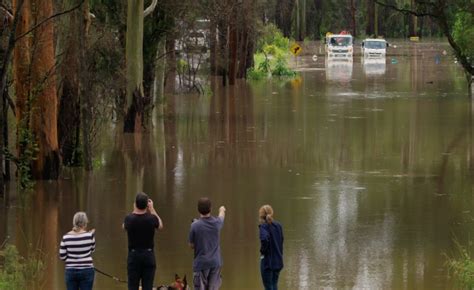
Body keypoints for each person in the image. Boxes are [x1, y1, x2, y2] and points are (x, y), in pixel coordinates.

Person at [123, 192, 163, 290]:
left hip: (134, 256)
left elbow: (124, 227)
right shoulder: (152, 219)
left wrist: (134, 210)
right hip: (148, 255)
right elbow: (160, 225)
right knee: (148, 287)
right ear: (147, 205)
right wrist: (152, 209)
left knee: (132, 286)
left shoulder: (129, 219)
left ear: (135, 204)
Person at [189, 197, 226, 290]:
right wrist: (222, 209)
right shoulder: (217, 223)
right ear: (210, 209)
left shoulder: (194, 226)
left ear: (198, 210)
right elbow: (222, 216)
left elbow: (191, 245)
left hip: (201, 264)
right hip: (215, 263)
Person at [59, 212, 96, 290]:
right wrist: (90, 234)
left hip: (71, 271)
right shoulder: (90, 236)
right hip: (87, 270)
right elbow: (92, 249)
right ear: (85, 223)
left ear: (74, 222)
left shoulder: (65, 237)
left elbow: (62, 257)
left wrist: (73, 258)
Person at [258, 205, 284, 290]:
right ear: (271, 213)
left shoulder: (263, 227)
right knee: (274, 284)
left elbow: (264, 239)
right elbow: (281, 240)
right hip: (278, 261)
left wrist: (263, 251)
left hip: (267, 262)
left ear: (261, 215)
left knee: (268, 287)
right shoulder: (279, 226)